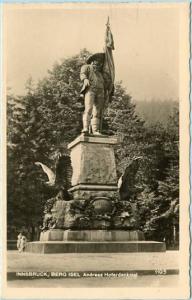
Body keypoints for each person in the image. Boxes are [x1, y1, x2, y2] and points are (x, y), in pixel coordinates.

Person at [80, 53, 106, 135]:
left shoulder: (100, 73)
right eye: (97, 60)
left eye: (100, 61)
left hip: (100, 91)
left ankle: (95, 130)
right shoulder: (86, 67)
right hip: (90, 89)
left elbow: (106, 83)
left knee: (97, 111)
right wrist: (85, 79)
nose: (98, 62)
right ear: (92, 60)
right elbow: (82, 73)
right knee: (89, 108)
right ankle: (85, 128)